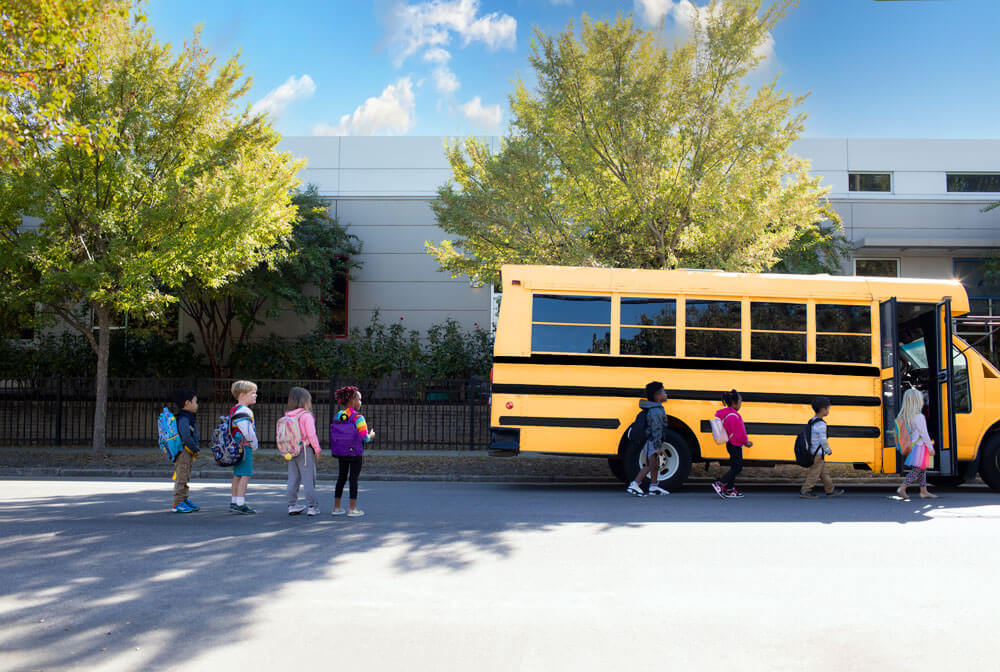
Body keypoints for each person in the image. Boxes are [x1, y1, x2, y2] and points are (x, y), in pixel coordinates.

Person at [331, 385, 374, 517]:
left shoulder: (338, 415)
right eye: (359, 399)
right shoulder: (358, 417)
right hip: (355, 453)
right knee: (353, 479)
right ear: (352, 400)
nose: (360, 402)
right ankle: (352, 509)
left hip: (341, 452)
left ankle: (336, 507)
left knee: (341, 478)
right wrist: (371, 435)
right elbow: (364, 437)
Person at [626, 381, 670, 497]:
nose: (666, 394)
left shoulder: (655, 408)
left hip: (652, 441)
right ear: (657, 396)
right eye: (663, 392)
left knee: (654, 464)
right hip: (651, 441)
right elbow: (656, 429)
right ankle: (635, 484)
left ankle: (654, 486)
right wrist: (657, 446)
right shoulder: (655, 410)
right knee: (650, 465)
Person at [283, 387, 322, 516]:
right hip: (305, 450)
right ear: (305, 400)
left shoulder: (288, 415)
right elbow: (311, 434)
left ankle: (292, 504)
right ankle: (312, 506)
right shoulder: (306, 416)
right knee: (308, 479)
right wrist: (317, 450)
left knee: (293, 478)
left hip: (291, 450)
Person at [895, 387, 938, 501]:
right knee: (918, 469)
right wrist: (930, 448)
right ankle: (903, 487)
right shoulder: (919, 417)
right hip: (920, 446)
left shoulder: (906, 416)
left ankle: (923, 491)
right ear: (917, 401)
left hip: (913, 445)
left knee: (922, 469)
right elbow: (924, 434)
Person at [799, 396, 845, 499]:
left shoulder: (813, 420)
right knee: (814, 473)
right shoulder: (821, 424)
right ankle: (805, 491)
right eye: (828, 408)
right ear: (823, 410)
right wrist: (828, 450)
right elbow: (823, 439)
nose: (829, 411)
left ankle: (830, 490)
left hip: (814, 452)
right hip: (818, 454)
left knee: (824, 473)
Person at [712, 389, 751, 499]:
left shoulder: (726, 414)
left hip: (730, 443)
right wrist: (746, 442)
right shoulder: (734, 416)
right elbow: (740, 432)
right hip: (735, 444)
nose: (740, 405)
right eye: (740, 402)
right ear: (734, 403)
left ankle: (729, 489)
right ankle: (720, 484)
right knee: (737, 467)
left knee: (734, 466)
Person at [229, 380, 259, 514]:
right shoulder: (245, 411)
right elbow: (247, 431)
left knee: (237, 475)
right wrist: (254, 444)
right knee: (246, 475)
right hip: (244, 446)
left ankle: (234, 501)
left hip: (235, 445)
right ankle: (241, 503)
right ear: (242, 395)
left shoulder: (234, 409)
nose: (255, 395)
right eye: (252, 393)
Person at [172, 389, 200, 513]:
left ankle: (184, 499)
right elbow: (186, 437)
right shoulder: (183, 418)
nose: (197, 405)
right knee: (182, 477)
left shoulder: (188, 417)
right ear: (187, 403)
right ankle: (178, 503)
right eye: (195, 402)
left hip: (187, 452)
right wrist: (195, 448)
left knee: (185, 476)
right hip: (183, 452)